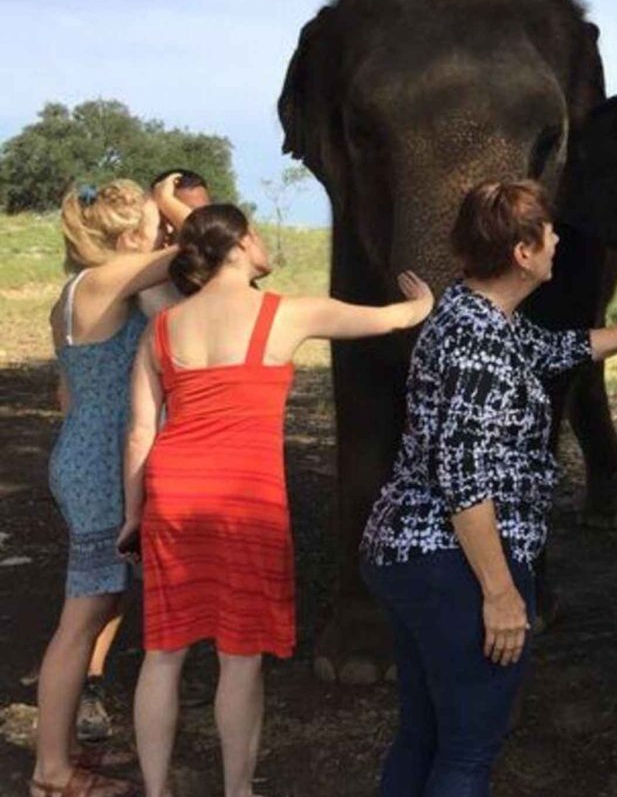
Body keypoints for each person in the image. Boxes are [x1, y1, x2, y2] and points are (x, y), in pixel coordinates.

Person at [358, 179, 617, 797]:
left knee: (423, 732)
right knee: (467, 749)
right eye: (549, 234)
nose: (556, 243)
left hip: (411, 556)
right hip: (455, 567)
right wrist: (499, 592)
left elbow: (561, 348)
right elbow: (464, 477)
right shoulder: (480, 341)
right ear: (522, 252)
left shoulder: (480, 319)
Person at [119, 204, 434, 797]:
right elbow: (389, 319)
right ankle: (238, 790)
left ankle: (156, 791)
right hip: (246, 499)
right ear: (238, 245)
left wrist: (134, 514)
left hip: (173, 494)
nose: (263, 244)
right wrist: (420, 303)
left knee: (163, 652)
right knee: (239, 657)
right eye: (256, 234)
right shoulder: (285, 314)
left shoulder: (161, 331)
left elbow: (140, 431)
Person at [32, 177, 190, 797]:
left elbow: (69, 392)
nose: (167, 235)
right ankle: (50, 772)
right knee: (83, 617)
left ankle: (60, 750)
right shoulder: (112, 278)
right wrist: (176, 200)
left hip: (81, 450)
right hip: (99, 461)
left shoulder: (72, 295)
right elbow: (210, 244)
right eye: (157, 227)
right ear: (130, 238)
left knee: (100, 603)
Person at [137, 170, 214, 319]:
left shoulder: (218, 267)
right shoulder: (136, 274)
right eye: (175, 211)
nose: (204, 221)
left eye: (206, 213)